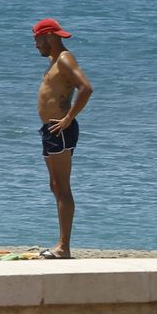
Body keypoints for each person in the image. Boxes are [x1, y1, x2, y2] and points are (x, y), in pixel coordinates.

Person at [34, 18, 93, 259]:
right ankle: (60, 244)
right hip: (50, 130)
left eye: (37, 40)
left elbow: (86, 88)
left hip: (60, 129)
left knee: (63, 188)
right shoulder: (53, 61)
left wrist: (69, 117)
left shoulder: (65, 59)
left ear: (48, 36)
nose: (36, 45)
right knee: (55, 186)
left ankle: (63, 247)